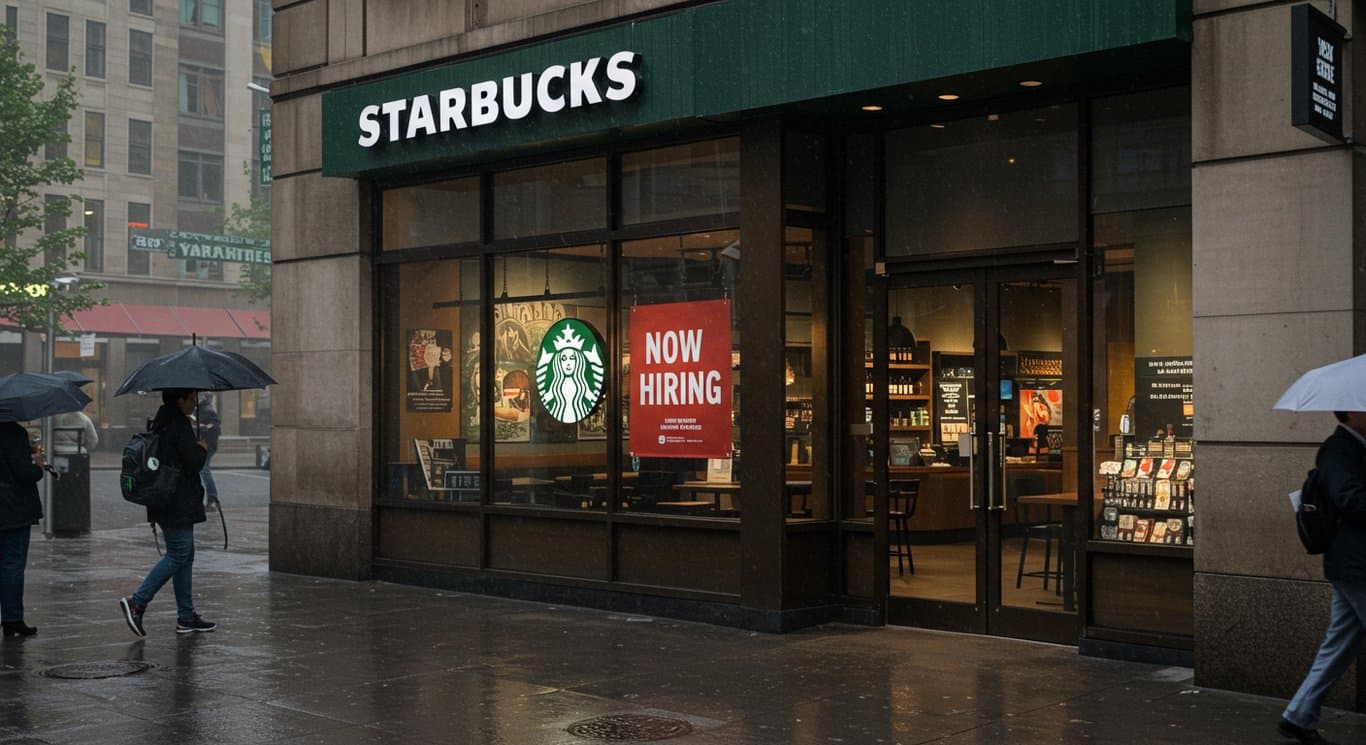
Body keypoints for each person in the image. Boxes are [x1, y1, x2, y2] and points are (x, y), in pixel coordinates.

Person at [1279, 410, 1366, 745]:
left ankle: (1298, 716)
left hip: (1352, 564)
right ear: (1354, 412)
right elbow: (1352, 500)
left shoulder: (1355, 447)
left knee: (1340, 643)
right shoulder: (1339, 449)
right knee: (1339, 642)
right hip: (1356, 564)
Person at [118, 389, 214, 638]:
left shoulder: (163, 422)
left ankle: (186, 616)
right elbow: (193, 461)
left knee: (185, 555)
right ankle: (137, 601)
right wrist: (202, 448)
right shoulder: (178, 425)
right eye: (192, 398)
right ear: (180, 400)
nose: (195, 403)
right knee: (179, 553)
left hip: (168, 500)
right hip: (176, 502)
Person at [0, 422, 45, 638]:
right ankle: (12, 619)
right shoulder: (13, 431)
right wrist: (38, 464)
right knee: (12, 564)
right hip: (12, 510)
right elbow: (24, 473)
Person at [196, 395, 221, 510]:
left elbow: (214, 427)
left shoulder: (206, 410)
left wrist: (204, 428)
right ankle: (210, 499)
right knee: (203, 471)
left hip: (207, 445)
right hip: (205, 445)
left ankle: (212, 498)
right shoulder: (201, 410)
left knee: (205, 470)